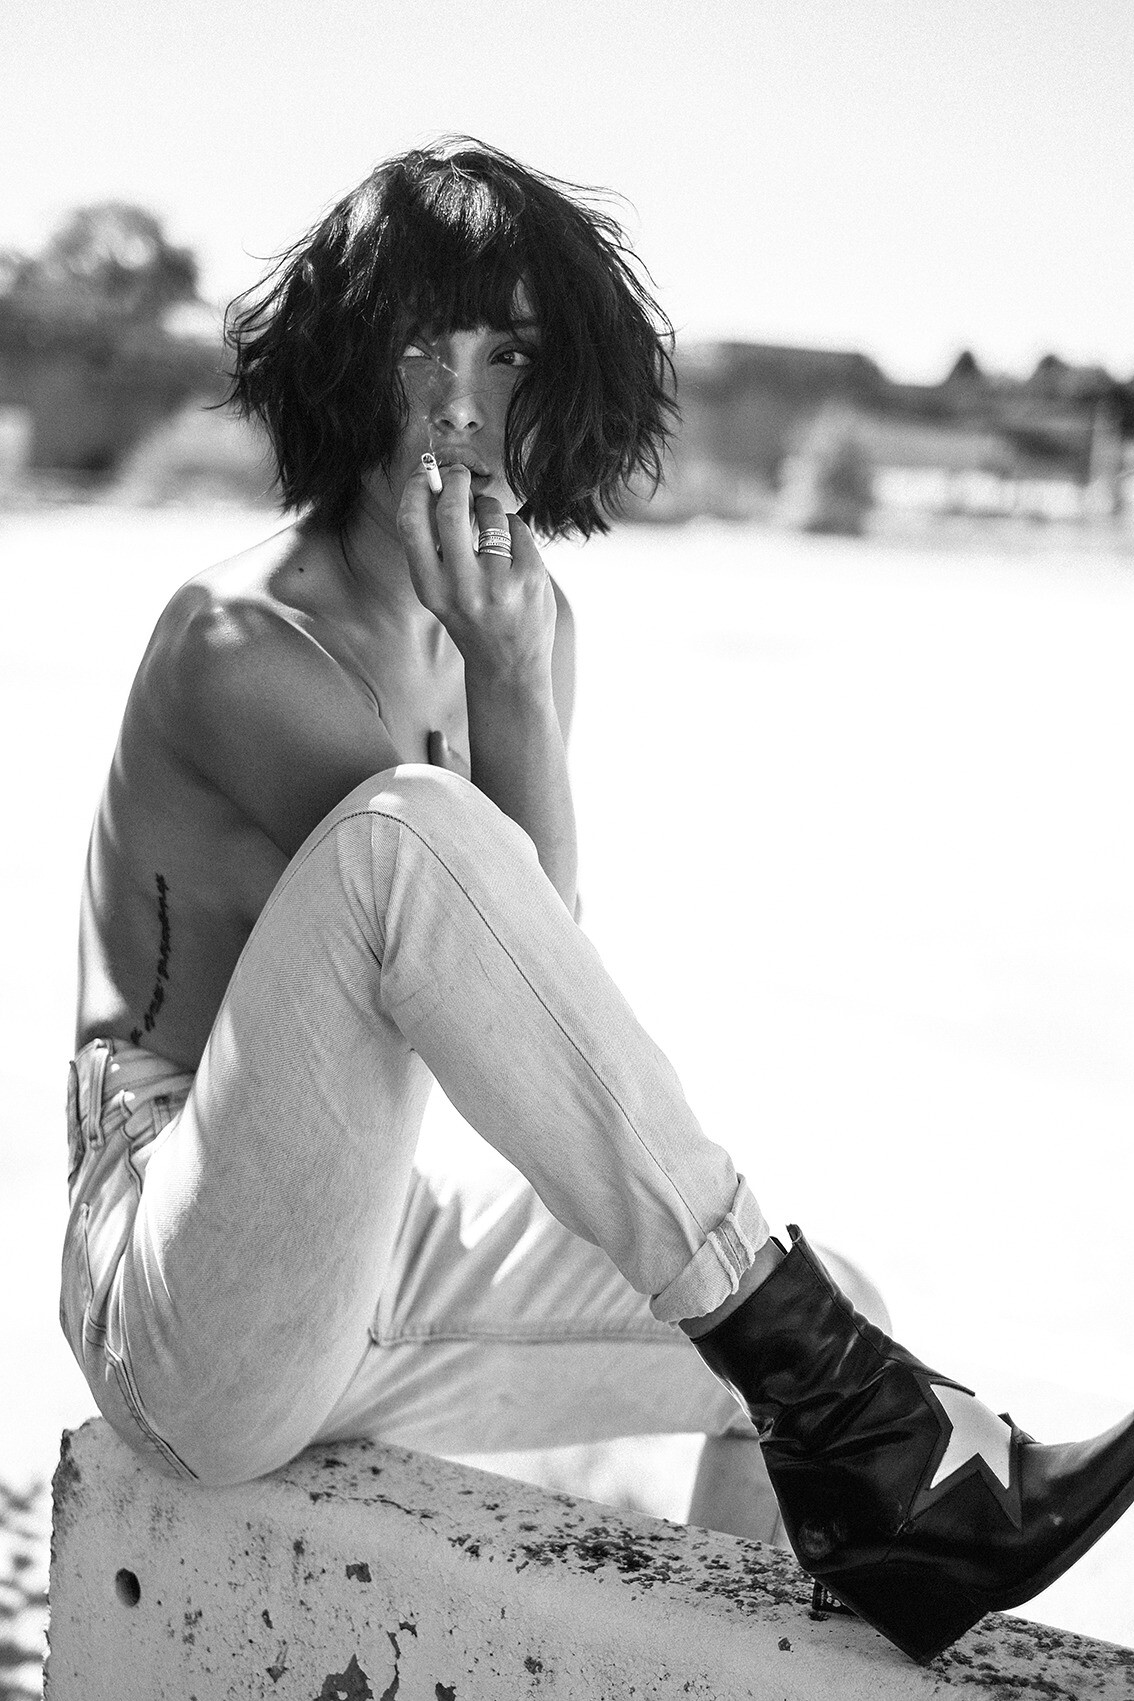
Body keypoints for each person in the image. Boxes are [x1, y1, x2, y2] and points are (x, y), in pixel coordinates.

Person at [62, 138, 1134, 1665]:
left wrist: (510, 671)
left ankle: (784, 1600)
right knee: (411, 828)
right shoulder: (236, 644)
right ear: (343, 360)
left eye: (506, 353)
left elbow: (529, 979)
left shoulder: (524, 619)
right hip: (173, 1292)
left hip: (360, 1260)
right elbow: (457, 929)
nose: (459, 402)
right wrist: (500, 679)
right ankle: (871, 1420)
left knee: (826, 1325)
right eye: (418, 347)